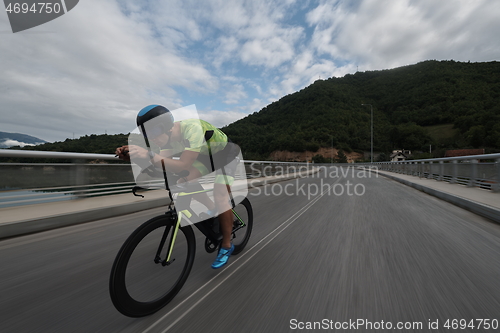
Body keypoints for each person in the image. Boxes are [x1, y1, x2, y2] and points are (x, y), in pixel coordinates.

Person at [115, 105, 239, 269]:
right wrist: (133, 156)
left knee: (220, 195)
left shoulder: (192, 129)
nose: (152, 137)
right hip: (205, 156)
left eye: (154, 131)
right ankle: (213, 211)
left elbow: (182, 164)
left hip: (226, 153)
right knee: (183, 182)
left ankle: (227, 246)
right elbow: (160, 163)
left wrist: (148, 154)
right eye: (146, 133)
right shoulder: (167, 141)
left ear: (167, 126)